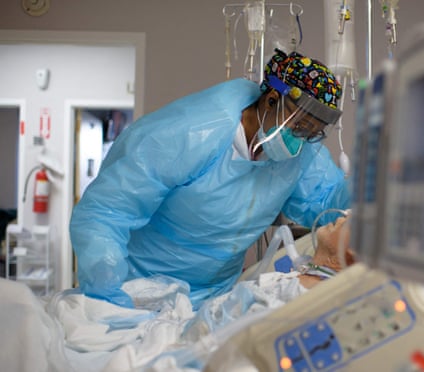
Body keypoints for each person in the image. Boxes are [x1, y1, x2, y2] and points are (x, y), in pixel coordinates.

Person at [70, 49, 351, 309]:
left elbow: (329, 203)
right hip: (137, 288)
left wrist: (370, 183)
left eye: (312, 133)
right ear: (271, 99)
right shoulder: (189, 132)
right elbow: (106, 213)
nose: (300, 141)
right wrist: (108, 291)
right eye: (299, 126)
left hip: (215, 299)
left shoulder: (302, 153)